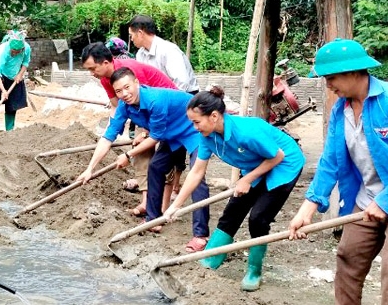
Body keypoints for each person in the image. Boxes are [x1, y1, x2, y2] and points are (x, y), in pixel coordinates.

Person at [164, 86, 304, 291]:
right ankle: (211, 259)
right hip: (255, 164)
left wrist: (247, 179)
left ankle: (254, 270)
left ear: (213, 116)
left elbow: (278, 156)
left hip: (284, 163)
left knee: (258, 219)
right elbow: (196, 172)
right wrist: (175, 205)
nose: (194, 128)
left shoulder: (246, 132)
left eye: (196, 122)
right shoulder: (207, 137)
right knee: (232, 212)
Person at [288, 38, 388, 304]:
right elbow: (330, 161)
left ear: (355, 72)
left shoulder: (386, 101)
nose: (327, 84)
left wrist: (385, 201)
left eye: (331, 77)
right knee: (348, 257)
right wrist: (306, 210)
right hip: (366, 199)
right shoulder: (340, 110)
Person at [78, 67, 210, 252]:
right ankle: (153, 219)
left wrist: (127, 155)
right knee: (155, 167)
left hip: (192, 129)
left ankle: (201, 235)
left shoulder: (156, 100)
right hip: (170, 133)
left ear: (137, 83)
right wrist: (90, 168)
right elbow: (108, 137)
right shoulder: (125, 106)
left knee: (197, 178)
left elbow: (155, 137)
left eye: (127, 87)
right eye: (118, 91)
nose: (124, 94)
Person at [80, 42, 177, 217]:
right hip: (145, 115)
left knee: (162, 157)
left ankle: (163, 206)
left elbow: (149, 99)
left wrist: (145, 133)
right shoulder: (105, 79)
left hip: (169, 114)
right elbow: (118, 107)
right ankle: (147, 202)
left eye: (93, 68)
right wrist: (90, 168)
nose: (91, 74)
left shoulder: (129, 72)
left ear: (106, 63)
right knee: (140, 151)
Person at [129, 14, 200, 200]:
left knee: (176, 144)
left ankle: (176, 184)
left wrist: (169, 109)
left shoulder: (169, 50)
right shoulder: (140, 54)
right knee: (160, 143)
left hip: (182, 100)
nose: (131, 39)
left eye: (132, 35)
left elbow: (181, 83)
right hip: (155, 103)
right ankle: (159, 188)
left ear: (141, 32)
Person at [0, 30, 30, 132]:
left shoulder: (26, 48)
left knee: (12, 101)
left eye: (17, 52)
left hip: (13, 73)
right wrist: (3, 90)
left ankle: (9, 131)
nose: (14, 53)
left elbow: (26, 63)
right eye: (12, 51)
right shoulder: (3, 50)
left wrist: (19, 75)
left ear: (21, 49)